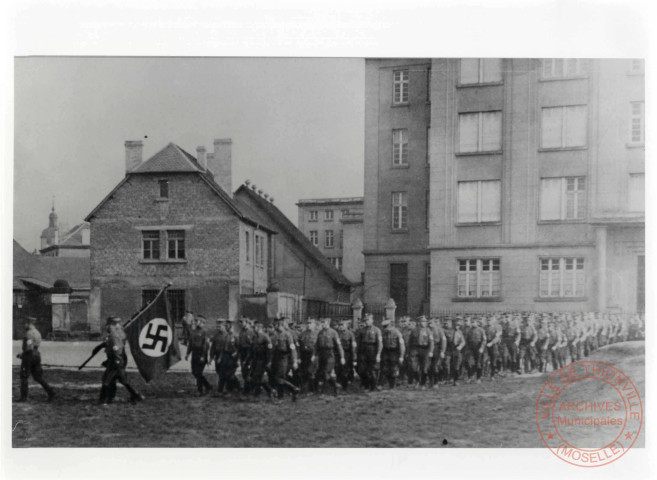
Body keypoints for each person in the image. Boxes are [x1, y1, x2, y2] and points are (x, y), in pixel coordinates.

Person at [99, 316, 144, 405]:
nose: (107, 327)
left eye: (109, 325)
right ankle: (136, 395)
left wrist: (116, 361)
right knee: (123, 380)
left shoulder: (114, 335)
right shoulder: (119, 334)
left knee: (106, 380)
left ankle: (103, 400)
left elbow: (117, 349)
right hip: (118, 360)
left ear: (112, 325)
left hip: (115, 361)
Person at [17, 317, 56, 402]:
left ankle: (23, 397)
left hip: (28, 357)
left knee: (24, 376)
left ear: (29, 323)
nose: (24, 325)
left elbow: (29, 347)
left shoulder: (29, 333)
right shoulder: (37, 332)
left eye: (25, 323)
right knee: (38, 377)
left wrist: (21, 354)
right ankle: (50, 392)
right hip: (37, 355)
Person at [270, 316, 300, 401]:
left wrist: (294, 361)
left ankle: (292, 389)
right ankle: (290, 392)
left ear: (282, 325)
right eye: (276, 325)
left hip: (284, 358)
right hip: (276, 358)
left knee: (279, 377)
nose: (277, 327)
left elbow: (293, 349)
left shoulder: (288, 335)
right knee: (277, 378)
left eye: (278, 325)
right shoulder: (275, 335)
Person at [313, 317, 345, 395]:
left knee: (326, 373)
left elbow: (339, 345)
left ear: (327, 323)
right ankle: (330, 389)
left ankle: (334, 386)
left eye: (323, 323)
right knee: (322, 373)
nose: (322, 324)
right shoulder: (320, 332)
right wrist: (314, 355)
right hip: (322, 354)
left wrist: (342, 357)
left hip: (330, 355)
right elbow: (316, 345)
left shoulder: (333, 332)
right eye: (322, 323)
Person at [212, 318, 241, 394]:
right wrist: (220, 357)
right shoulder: (226, 335)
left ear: (232, 326)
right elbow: (223, 348)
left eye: (229, 325)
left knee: (229, 374)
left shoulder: (236, 335)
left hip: (233, 358)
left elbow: (239, 348)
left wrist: (237, 358)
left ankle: (235, 387)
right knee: (222, 373)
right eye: (227, 325)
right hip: (225, 357)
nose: (228, 326)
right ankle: (221, 390)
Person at [185, 314, 212, 395]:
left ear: (202, 322)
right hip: (195, 355)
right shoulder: (193, 332)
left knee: (198, 373)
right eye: (195, 321)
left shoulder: (204, 332)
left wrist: (203, 356)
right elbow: (190, 344)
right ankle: (208, 386)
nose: (196, 322)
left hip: (201, 355)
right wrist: (187, 354)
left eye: (197, 321)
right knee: (194, 372)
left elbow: (205, 345)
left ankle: (200, 391)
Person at [356, 313, 383, 391]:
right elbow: (358, 343)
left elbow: (380, 343)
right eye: (365, 320)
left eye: (368, 320)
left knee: (372, 370)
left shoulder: (377, 330)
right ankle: (366, 385)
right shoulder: (362, 330)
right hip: (363, 352)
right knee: (362, 370)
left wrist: (378, 354)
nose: (366, 322)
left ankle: (373, 387)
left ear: (372, 320)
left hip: (372, 351)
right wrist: (357, 354)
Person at [247, 320, 274, 397]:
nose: (253, 329)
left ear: (259, 327)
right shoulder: (255, 337)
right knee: (255, 377)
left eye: (254, 327)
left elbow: (270, 350)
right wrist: (249, 359)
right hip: (255, 359)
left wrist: (269, 361)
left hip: (262, 360)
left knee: (257, 376)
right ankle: (268, 390)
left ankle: (262, 392)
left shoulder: (265, 337)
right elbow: (252, 349)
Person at [408, 315, 434, 389]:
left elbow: (431, 342)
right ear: (418, 322)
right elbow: (410, 342)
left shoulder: (428, 331)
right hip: (415, 349)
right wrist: (409, 351)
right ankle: (417, 381)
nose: (423, 323)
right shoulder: (414, 330)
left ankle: (423, 383)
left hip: (425, 350)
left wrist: (431, 351)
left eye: (425, 321)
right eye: (422, 321)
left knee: (424, 368)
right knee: (413, 367)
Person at [380, 317, 405, 389]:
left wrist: (401, 356)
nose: (385, 328)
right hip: (385, 352)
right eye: (384, 326)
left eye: (387, 326)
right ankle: (386, 383)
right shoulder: (383, 332)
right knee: (385, 368)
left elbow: (401, 345)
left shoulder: (397, 332)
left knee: (393, 369)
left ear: (390, 325)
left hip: (394, 352)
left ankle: (392, 385)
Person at [297, 317, 318, 393]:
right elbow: (298, 346)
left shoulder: (317, 334)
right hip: (304, 355)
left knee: (311, 372)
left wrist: (314, 355)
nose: (308, 325)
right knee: (303, 372)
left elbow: (317, 346)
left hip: (312, 355)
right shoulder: (302, 334)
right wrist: (298, 357)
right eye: (307, 323)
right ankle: (304, 389)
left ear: (314, 324)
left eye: (310, 323)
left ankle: (312, 389)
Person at [336, 318, 357, 390]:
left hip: (347, 353)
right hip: (337, 353)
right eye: (339, 325)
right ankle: (339, 382)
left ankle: (345, 385)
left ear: (346, 325)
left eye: (342, 325)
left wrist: (354, 356)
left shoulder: (350, 334)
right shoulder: (337, 333)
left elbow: (353, 345)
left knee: (345, 368)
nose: (340, 326)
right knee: (338, 368)